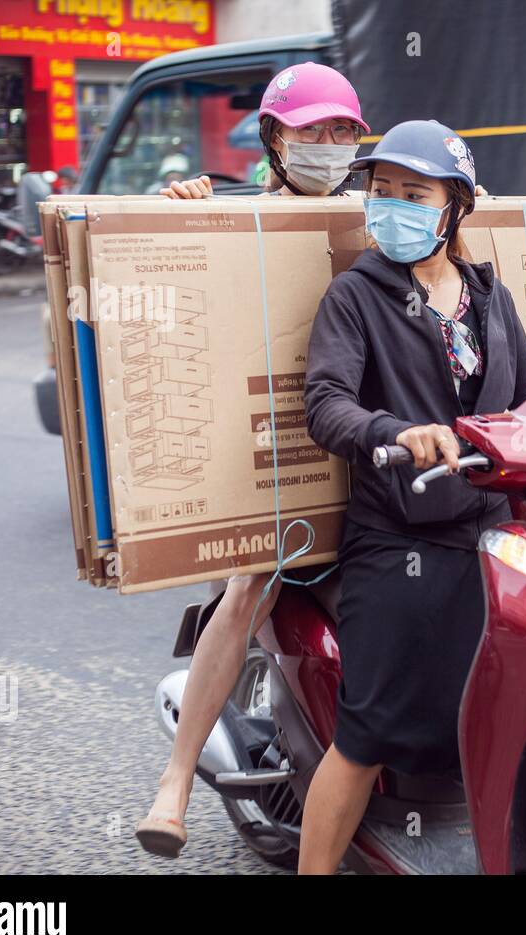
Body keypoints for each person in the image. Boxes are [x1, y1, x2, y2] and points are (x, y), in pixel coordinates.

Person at [296, 119, 526, 874]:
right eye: (381, 193)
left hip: (493, 536)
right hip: (398, 538)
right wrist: (397, 431)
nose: (392, 208)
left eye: (414, 194)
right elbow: (325, 403)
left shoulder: (487, 295)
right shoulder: (356, 296)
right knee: (368, 732)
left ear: (454, 209)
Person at [134, 62, 371, 859]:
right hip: (273, 458)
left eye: (344, 132)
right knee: (245, 594)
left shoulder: (378, 216)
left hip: (366, 442)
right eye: (314, 132)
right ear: (274, 139)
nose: (332, 146)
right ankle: (172, 783)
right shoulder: (233, 223)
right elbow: (149, 289)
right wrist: (172, 214)